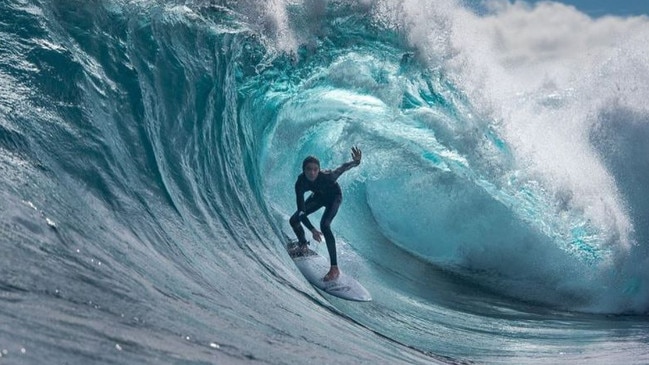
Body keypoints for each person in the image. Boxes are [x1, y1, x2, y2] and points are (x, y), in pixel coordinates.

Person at [289, 146, 362, 281]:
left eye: (315, 169)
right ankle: (303, 245)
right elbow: (301, 211)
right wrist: (312, 229)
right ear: (303, 170)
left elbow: (343, 168)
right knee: (294, 220)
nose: (312, 172)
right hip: (318, 196)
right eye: (308, 169)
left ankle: (334, 268)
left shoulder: (328, 177)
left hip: (334, 197)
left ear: (319, 170)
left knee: (325, 225)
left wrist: (356, 162)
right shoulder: (300, 183)